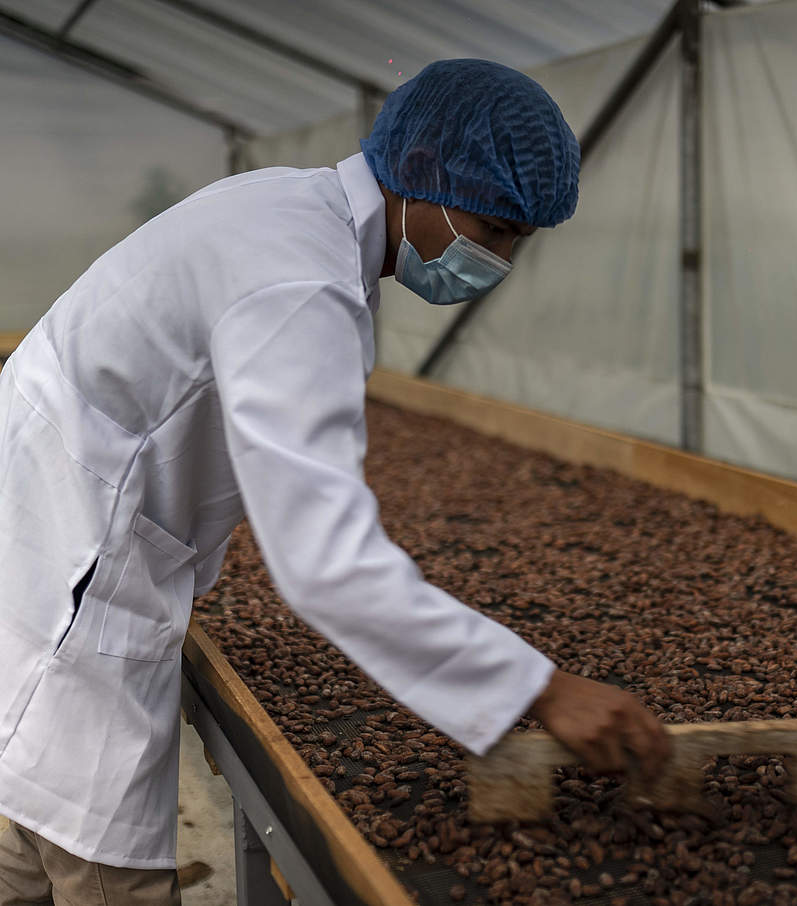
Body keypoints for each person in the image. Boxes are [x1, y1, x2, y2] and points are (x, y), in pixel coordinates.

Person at [0, 59, 669, 905]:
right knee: (102, 860)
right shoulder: (299, 278)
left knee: (27, 811)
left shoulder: (294, 210)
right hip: (76, 568)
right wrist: (538, 685)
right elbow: (323, 560)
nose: (499, 259)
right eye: (497, 230)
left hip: (46, 525)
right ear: (424, 176)